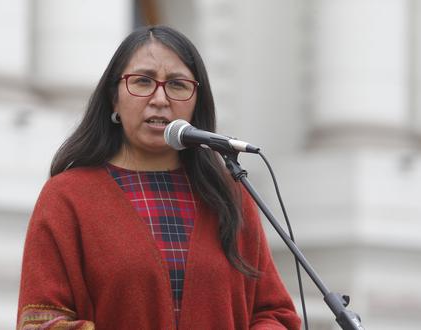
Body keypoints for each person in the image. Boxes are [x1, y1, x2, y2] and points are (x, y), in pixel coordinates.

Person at [17, 25, 301, 330]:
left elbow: (274, 314)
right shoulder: (67, 197)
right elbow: (42, 321)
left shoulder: (229, 194)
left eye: (177, 85)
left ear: (196, 102)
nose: (160, 98)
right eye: (142, 81)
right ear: (114, 98)